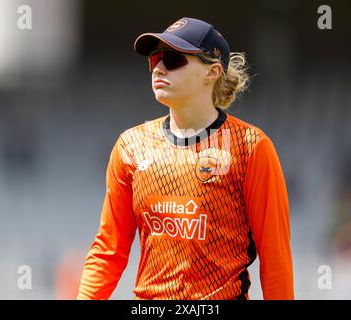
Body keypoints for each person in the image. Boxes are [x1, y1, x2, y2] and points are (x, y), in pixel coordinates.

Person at [77, 17, 294, 300]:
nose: (158, 68)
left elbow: (275, 257)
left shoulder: (251, 147)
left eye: (172, 59)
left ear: (212, 72)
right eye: (154, 59)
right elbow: (108, 250)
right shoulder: (131, 145)